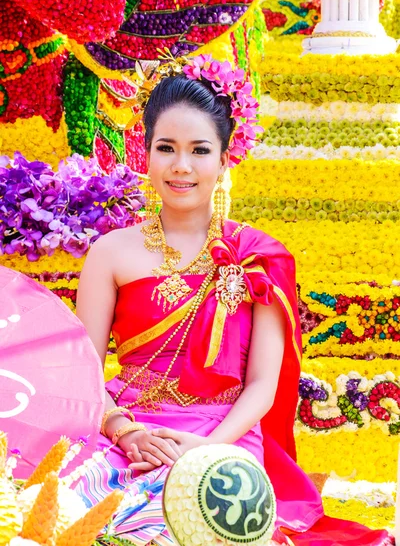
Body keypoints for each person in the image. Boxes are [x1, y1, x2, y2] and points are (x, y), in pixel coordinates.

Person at [75, 56, 392, 545]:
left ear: (225, 157)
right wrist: (125, 431)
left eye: (200, 150)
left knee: (182, 522)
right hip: (128, 432)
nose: (182, 166)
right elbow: (83, 374)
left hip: (223, 434)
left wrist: (204, 449)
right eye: (167, 148)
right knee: (66, 513)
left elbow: (263, 386)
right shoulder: (110, 253)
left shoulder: (257, 256)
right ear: (146, 154)